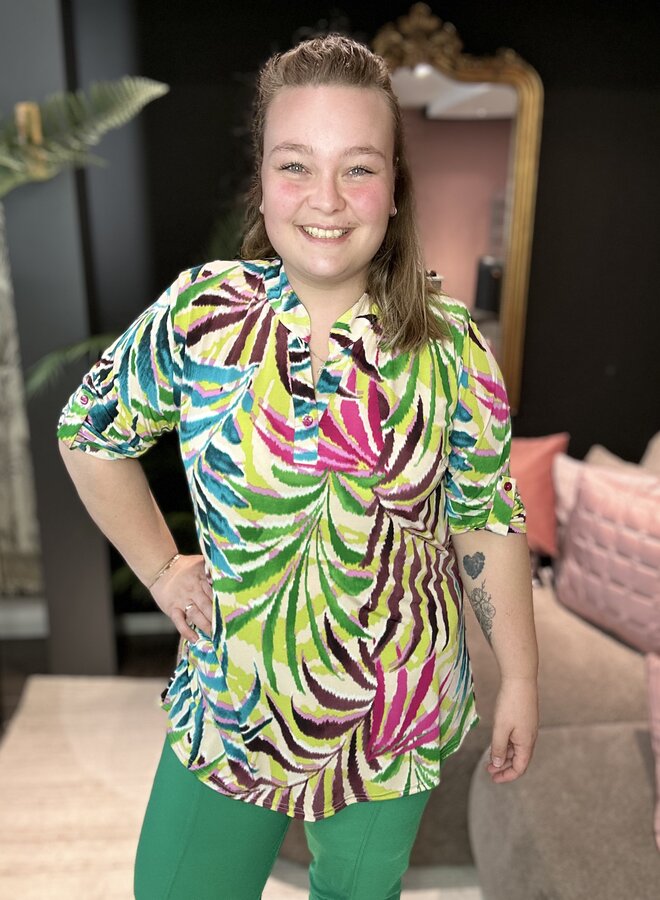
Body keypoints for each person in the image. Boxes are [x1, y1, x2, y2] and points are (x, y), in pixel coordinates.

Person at [57, 34, 538, 900]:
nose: (326, 199)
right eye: (295, 165)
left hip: (393, 710)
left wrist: (522, 679)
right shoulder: (202, 313)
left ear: (395, 187)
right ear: (262, 179)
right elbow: (89, 434)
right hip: (232, 699)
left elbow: (487, 517)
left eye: (358, 168)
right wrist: (162, 569)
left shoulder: (453, 346)